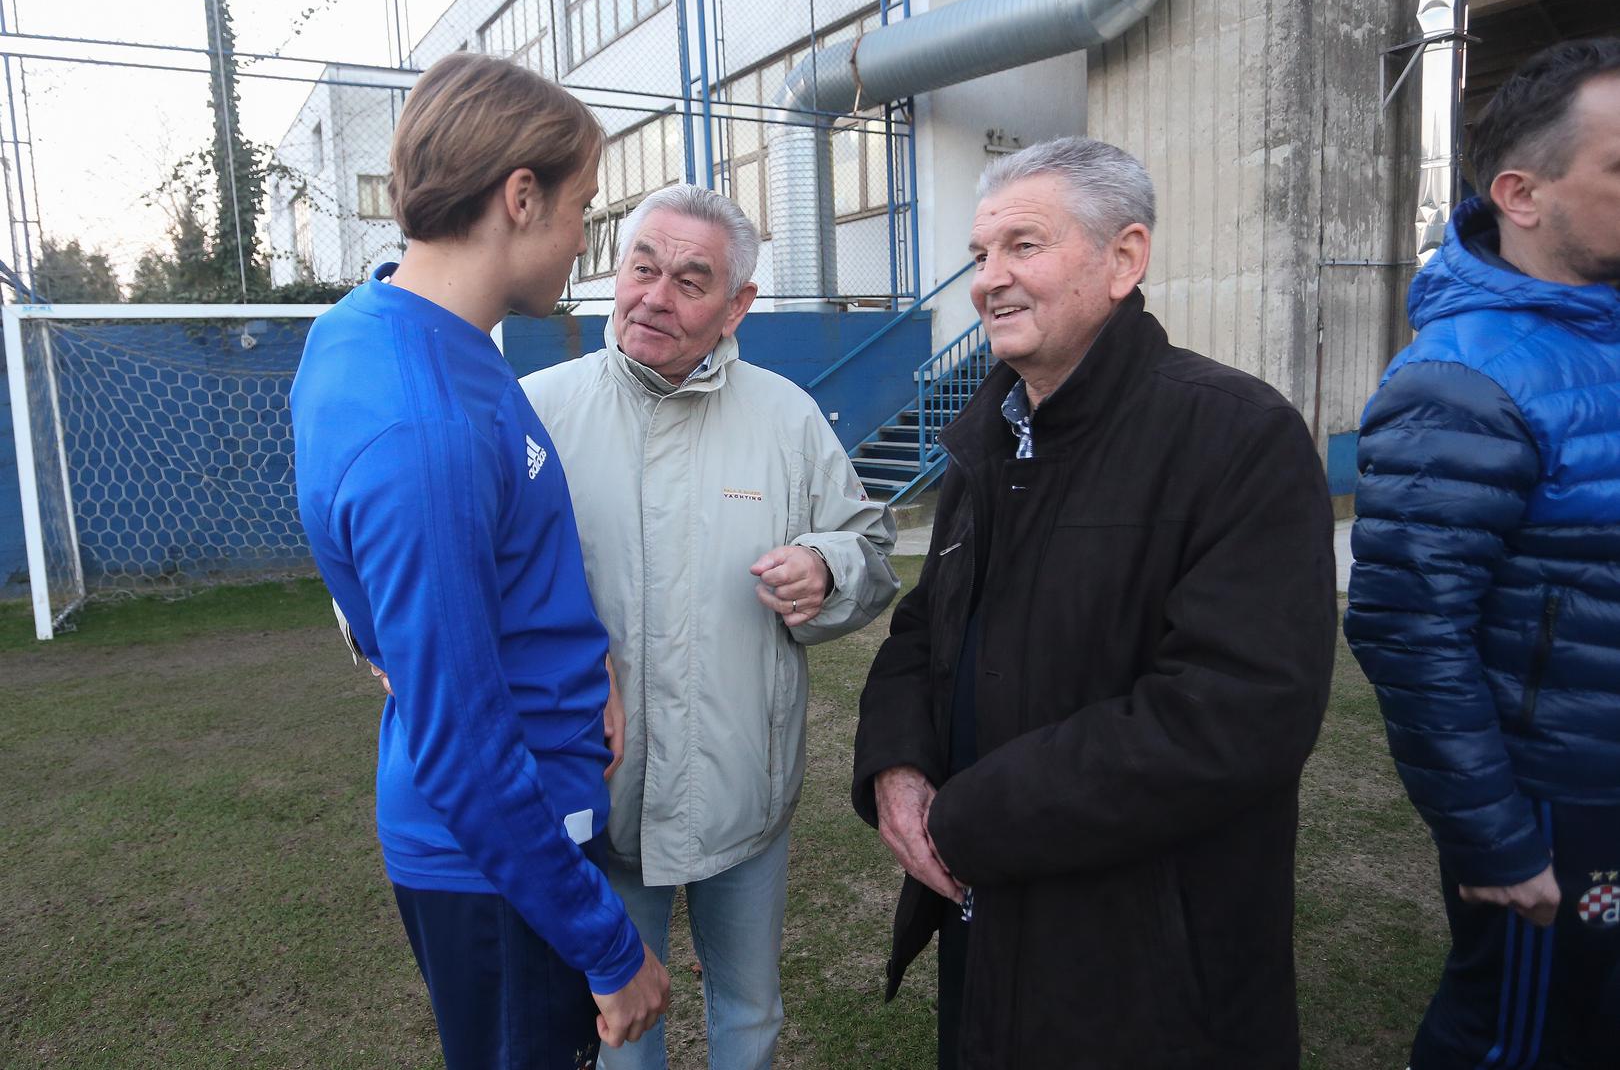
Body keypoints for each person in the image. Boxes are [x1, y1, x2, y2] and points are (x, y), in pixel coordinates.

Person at [850, 136, 1337, 1069]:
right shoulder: (991, 437)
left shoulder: (1237, 435)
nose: (988, 280)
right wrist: (897, 767)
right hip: (986, 925)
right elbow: (925, 626)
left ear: (1125, 258)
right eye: (979, 254)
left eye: (1022, 246)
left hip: (1149, 962)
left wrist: (971, 819)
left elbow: (1235, 713)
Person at [291, 53, 668, 1069]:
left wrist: (585, 663)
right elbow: (462, 741)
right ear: (520, 196)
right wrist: (606, 945)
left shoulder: (383, 328)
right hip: (504, 861)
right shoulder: (428, 425)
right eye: (582, 209)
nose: (585, 241)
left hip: (514, 830)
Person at [520, 183, 900, 1070]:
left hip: (744, 788)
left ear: (737, 306)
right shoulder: (533, 412)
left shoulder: (786, 417)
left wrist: (827, 567)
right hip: (601, 793)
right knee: (622, 1023)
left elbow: (870, 548)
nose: (655, 296)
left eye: (691, 281)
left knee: (750, 1011)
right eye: (642, 268)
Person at [1346, 38, 1620, 1070]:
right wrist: (1494, 837)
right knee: (1518, 1039)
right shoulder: (1460, 382)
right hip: (1559, 804)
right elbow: (1407, 631)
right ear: (1522, 194)